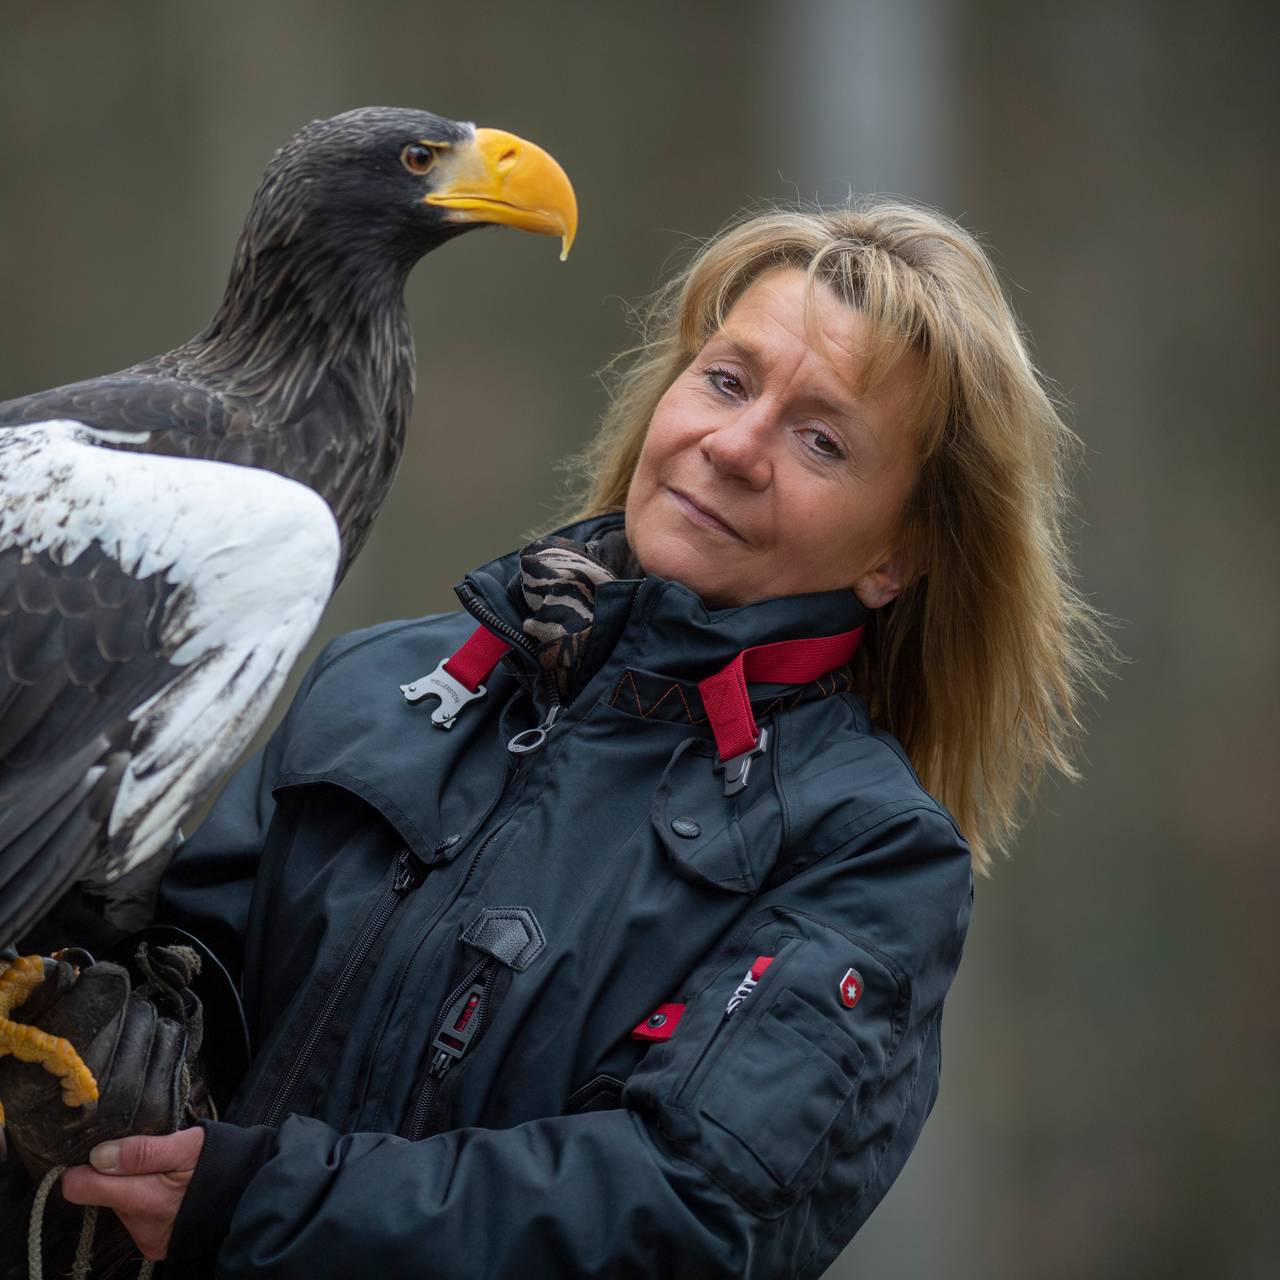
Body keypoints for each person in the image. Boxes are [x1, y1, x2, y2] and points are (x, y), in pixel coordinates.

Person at [55, 200, 1107, 1277]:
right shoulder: (379, 683)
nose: (734, 446)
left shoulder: (869, 854)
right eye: (726, 380)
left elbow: (684, 1210)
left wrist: (262, 1204)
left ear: (897, 557)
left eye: (821, 440)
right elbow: (184, 980)